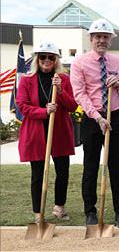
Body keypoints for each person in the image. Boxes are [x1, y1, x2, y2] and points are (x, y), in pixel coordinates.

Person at [70, 19, 119, 228]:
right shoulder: (80, 62)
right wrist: (97, 117)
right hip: (92, 119)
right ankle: (90, 212)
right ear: (91, 39)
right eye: (98, 36)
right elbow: (80, 93)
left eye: (105, 37)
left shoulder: (117, 62)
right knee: (90, 167)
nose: (101, 40)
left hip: (114, 117)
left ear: (110, 40)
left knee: (115, 167)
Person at [16, 41, 78, 222]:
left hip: (59, 132)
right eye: (43, 56)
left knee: (63, 171)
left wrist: (59, 91)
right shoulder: (27, 80)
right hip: (36, 133)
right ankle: (38, 213)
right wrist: (44, 111)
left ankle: (59, 207)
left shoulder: (63, 79)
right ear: (37, 58)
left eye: (51, 57)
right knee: (38, 174)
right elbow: (22, 106)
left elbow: (72, 106)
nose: (46, 60)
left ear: (56, 59)